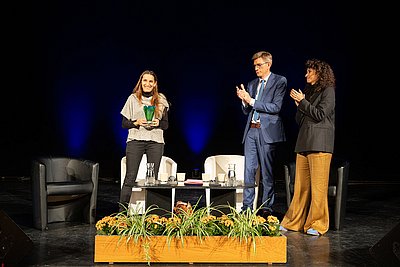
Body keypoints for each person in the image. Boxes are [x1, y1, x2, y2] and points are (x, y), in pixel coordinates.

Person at [280, 58, 336, 236]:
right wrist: (299, 105)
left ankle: (318, 224)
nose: (306, 75)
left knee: (318, 187)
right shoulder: (309, 91)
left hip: (319, 143)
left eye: (309, 72)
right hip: (304, 142)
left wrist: (303, 103)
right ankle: (293, 222)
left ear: (319, 73)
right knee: (300, 187)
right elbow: (300, 120)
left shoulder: (328, 91)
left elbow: (320, 114)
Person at [236, 51, 287, 218]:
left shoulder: (279, 81)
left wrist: (251, 101)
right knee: (249, 171)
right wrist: (244, 101)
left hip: (267, 132)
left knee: (267, 172)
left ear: (268, 64)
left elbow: (275, 108)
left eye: (259, 65)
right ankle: (247, 207)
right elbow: (247, 111)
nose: (256, 68)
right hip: (251, 130)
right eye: (255, 66)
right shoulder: (252, 83)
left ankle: (266, 208)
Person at [119, 70, 170, 211]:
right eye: (145, 81)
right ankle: (121, 215)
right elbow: (124, 123)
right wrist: (136, 122)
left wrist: (157, 123)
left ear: (155, 84)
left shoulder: (161, 99)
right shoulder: (133, 99)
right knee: (130, 178)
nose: (147, 84)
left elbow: (165, 125)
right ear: (140, 82)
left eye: (150, 81)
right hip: (136, 140)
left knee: (152, 180)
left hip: (155, 142)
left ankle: (151, 215)